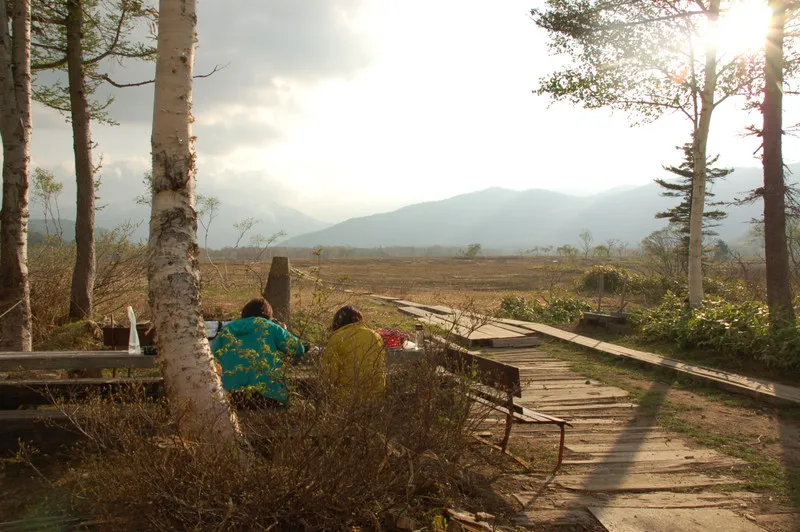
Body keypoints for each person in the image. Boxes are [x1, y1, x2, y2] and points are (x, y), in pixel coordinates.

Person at [212, 297, 305, 407]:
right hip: (269, 396)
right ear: (267, 315)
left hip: (231, 396)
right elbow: (298, 349)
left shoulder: (226, 330)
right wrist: (284, 331)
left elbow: (213, 356)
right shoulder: (270, 326)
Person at [322, 305, 386, 405]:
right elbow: (380, 367)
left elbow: (330, 374)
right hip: (373, 394)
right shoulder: (376, 336)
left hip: (345, 397)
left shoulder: (337, 338)